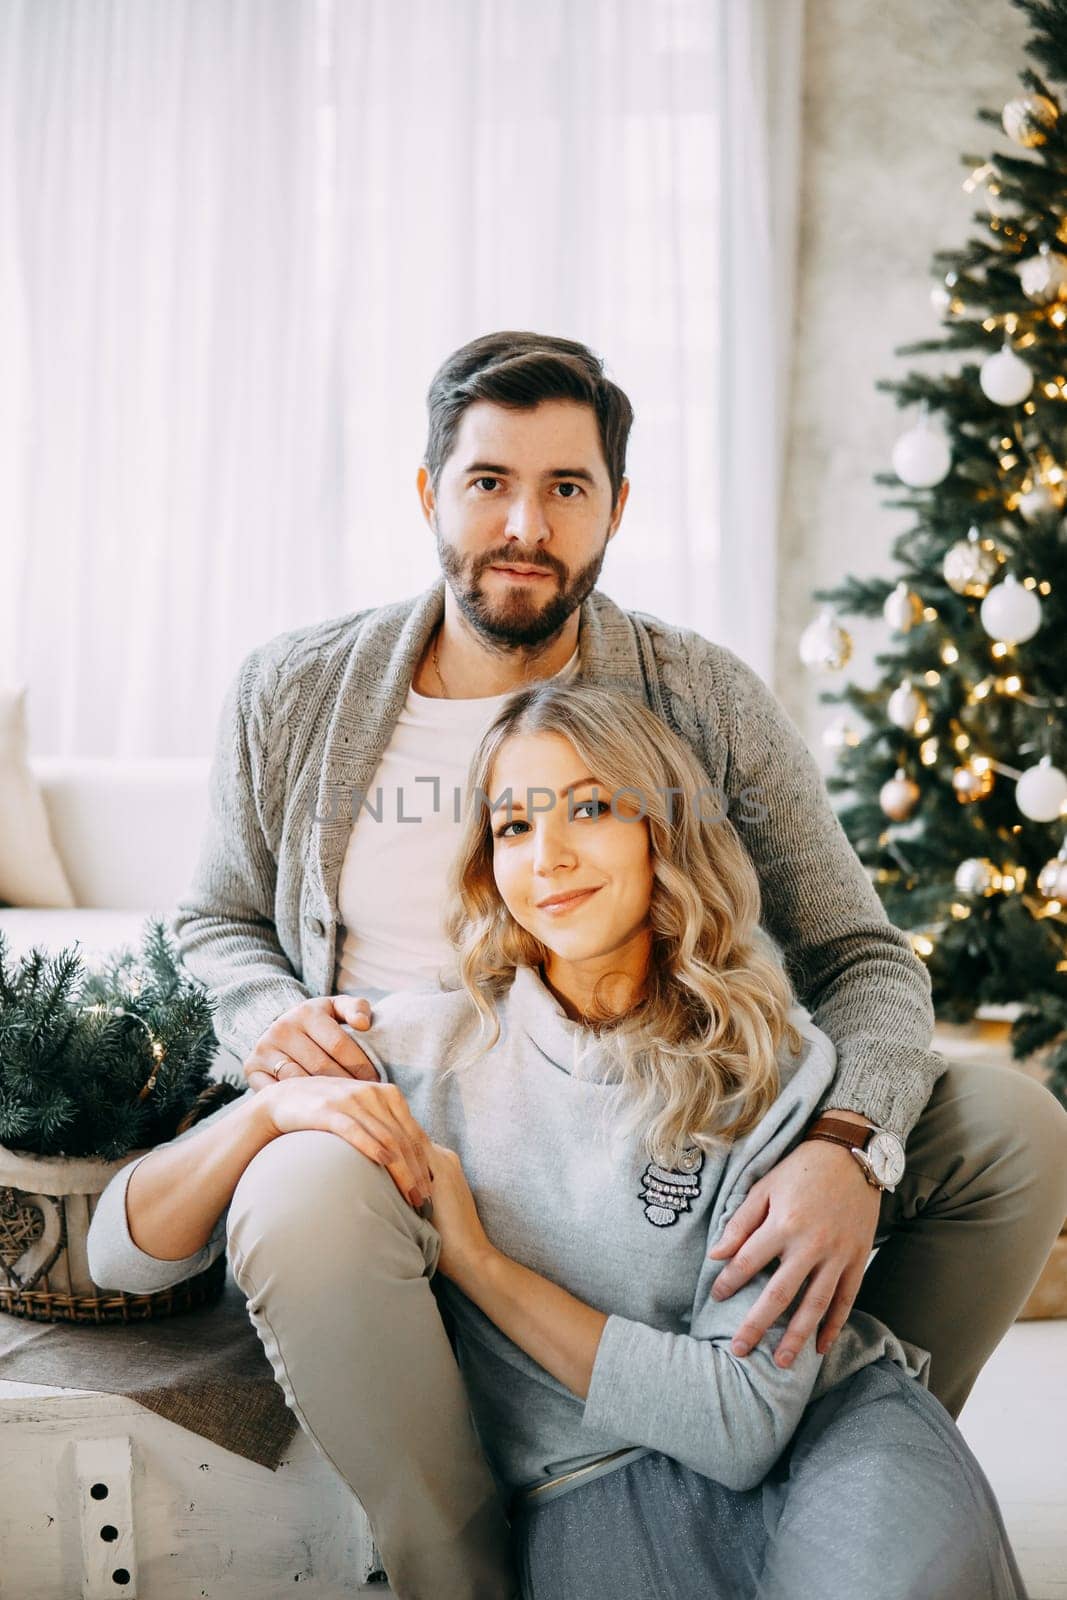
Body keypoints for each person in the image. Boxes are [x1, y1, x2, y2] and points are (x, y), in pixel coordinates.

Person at [171, 330, 1067, 1417]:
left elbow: (861, 956)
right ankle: (460, 1564)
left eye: (565, 488)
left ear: (617, 508)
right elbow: (217, 917)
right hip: (406, 1138)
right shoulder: (290, 691)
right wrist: (271, 1021)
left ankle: (846, 1445)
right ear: (427, 493)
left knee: (1010, 1128)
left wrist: (846, 1145)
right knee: (294, 1196)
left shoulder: (704, 698)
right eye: (488, 482)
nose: (523, 526)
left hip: (659, 1160)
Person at [88, 682, 1029, 1600]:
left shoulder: (771, 1068)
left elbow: (743, 1424)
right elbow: (117, 1257)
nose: (549, 857)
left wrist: (478, 1263)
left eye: (589, 807)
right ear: (485, 866)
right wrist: (269, 1111)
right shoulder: (419, 1047)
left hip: (834, 1436)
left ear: (664, 832)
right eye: (514, 826)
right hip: (585, 1487)